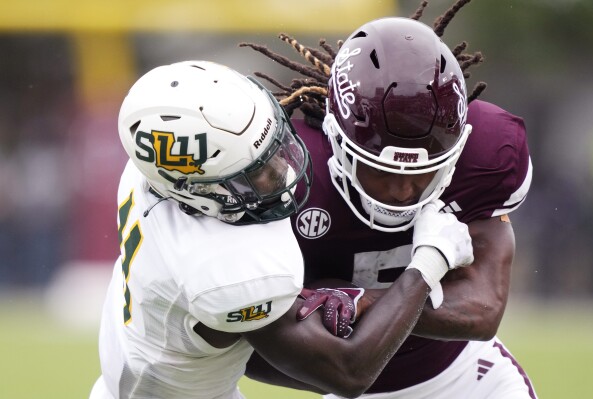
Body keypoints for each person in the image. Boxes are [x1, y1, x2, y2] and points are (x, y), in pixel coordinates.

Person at [89, 59, 475, 399]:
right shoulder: (228, 271)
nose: (284, 171)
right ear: (202, 191)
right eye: (257, 172)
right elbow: (347, 373)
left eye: (275, 146)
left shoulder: (157, 168)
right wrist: (427, 263)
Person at [241, 1, 538, 398]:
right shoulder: (286, 175)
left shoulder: (487, 152)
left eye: (421, 171)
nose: (402, 191)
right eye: (382, 171)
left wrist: (361, 300)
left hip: (464, 377)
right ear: (337, 141)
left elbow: (482, 310)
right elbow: (259, 349)